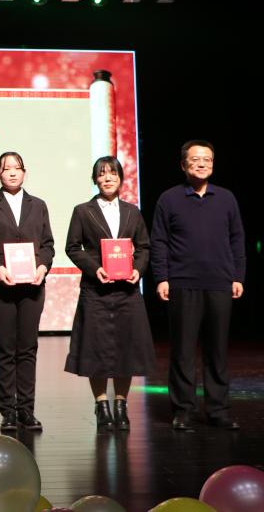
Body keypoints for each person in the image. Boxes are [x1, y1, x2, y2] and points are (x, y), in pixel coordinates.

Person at [151, 140, 245, 431]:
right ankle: (183, 410)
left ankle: (218, 410)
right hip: (183, 283)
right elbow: (159, 241)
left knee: (217, 351)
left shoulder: (226, 198)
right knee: (183, 351)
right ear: (183, 165)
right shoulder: (169, 199)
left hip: (219, 283)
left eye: (207, 159)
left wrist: (238, 276)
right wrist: (162, 278)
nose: (202, 163)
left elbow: (237, 238)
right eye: (195, 159)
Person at [64, 156, 156, 431]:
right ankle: (102, 405)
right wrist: (95, 269)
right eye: (102, 174)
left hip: (127, 290)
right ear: (95, 179)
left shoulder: (132, 212)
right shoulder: (83, 211)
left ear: (120, 179)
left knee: (126, 348)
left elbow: (144, 247)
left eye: (113, 173)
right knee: (96, 349)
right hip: (96, 290)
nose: (107, 178)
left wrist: (138, 269)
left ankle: (121, 404)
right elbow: (73, 247)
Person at [0, 151, 55, 432]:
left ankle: (27, 410)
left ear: (24, 172)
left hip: (33, 287)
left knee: (28, 349)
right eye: (6, 168)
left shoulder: (38, 205)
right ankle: (8, 411)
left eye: (17, 168)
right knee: (5, 349)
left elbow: (48, 245)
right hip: (1, 287)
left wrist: (43, 266)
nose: (11, 172)